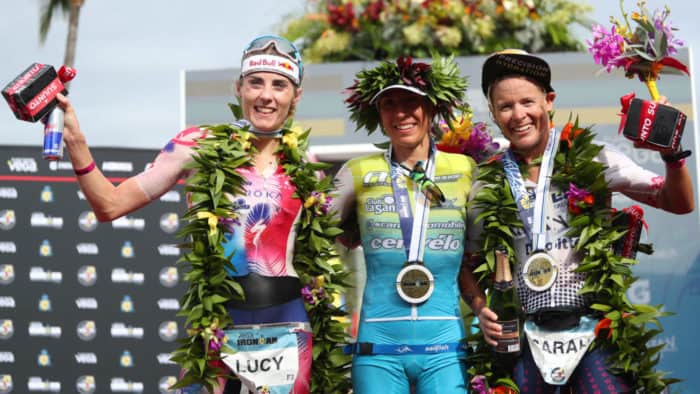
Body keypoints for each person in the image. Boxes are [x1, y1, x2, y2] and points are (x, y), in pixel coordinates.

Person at [56, 35, 344, 394]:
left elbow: (320, 260)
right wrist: (77, 144)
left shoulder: (306, 164)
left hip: (287, 325)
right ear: (239, 88)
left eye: (279, 85)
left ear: (295, 96)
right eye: (256, 82)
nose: (266, 95)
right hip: (218, 322)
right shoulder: (196, 145)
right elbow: (110, 205)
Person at [458, 49, 695, 392]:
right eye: (505, 106)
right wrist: (481, 309)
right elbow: (467, 262)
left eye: (528, 102)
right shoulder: (486, 181)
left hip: (592, 327)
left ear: (549, 100)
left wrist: (672, 157)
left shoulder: (594, 157)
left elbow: (678, 202)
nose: (518, 115)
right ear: (493, 112)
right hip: (524, 335)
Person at [333, 55, 476, 393]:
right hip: (378, 349)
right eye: (389, 104)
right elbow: (309, 229)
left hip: (445, 349)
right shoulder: (357, 171)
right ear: (377, 114)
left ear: (432, 108)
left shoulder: (467, 169)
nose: (400, 113)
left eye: (412, 101)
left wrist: (484, 309)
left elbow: (484, 251)